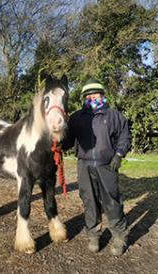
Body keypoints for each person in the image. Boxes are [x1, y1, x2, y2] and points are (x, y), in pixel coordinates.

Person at [62, 79, 131, 255]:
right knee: (89, 200)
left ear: (102, 95)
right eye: (88, 95)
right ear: (84, 97)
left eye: (96, 94)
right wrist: (58, 144)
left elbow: (124, 136)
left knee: (112, 200)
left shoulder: (114, 115)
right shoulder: (77, 118)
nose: (92, 97)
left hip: (107, 165)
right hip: (84, 165)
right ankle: (93, 234)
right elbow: (68, 140)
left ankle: (119, 235)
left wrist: (119, 155)